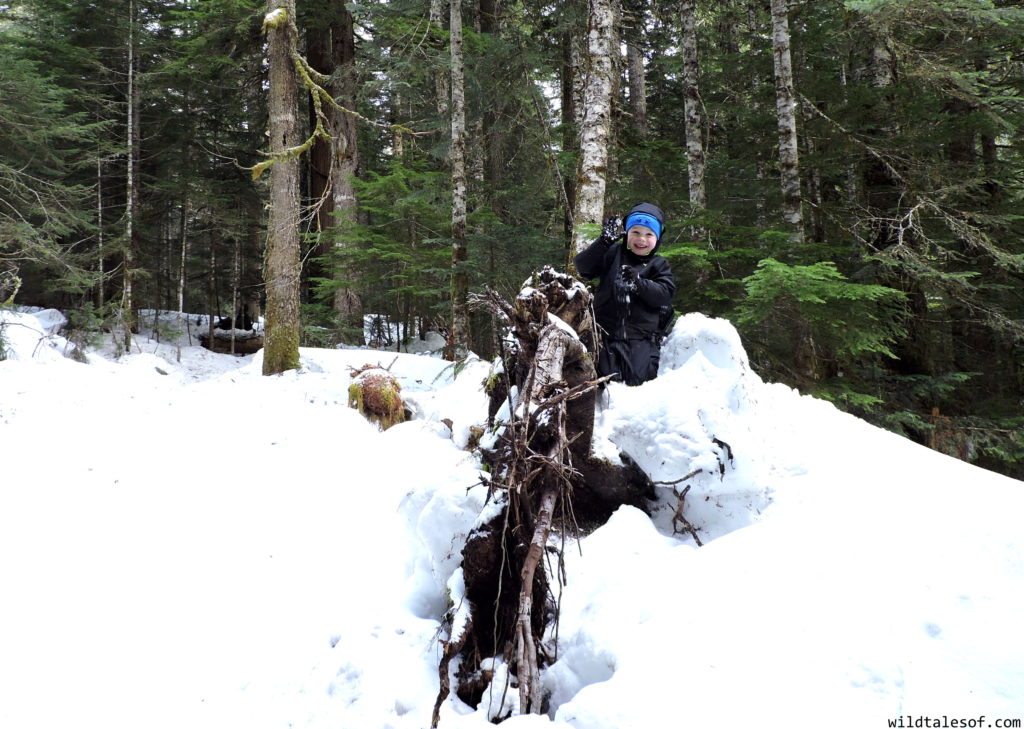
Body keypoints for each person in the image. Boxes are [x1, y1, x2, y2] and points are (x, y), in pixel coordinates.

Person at [573, 202, 676, 386]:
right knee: (603, 377)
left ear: (657, 238)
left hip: (640, 336)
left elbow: (664, 294)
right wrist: (603, 243)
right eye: (635, 232)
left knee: (639, 379)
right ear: (627, 233)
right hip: (605, 333)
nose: (641, 239)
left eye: (649, 234)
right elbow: (583, 268)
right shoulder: (613, 253)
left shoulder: (658, 264)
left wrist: (639, 283)